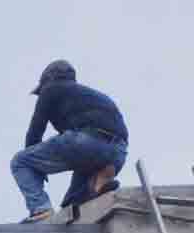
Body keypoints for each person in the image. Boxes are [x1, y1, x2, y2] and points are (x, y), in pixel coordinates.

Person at [10, 60, 128, 222]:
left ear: (48, 79)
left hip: (86, 143)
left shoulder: (51, 89)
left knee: (20, 161)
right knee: (72, 204)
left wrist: (37, 166)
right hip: (118, 153)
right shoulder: (96, 96)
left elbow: (35, 130)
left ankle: (40, 209)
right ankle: (99, 182)